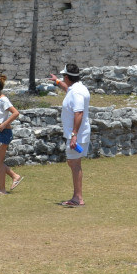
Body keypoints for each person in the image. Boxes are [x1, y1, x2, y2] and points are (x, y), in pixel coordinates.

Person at [49, 63, 90, 207]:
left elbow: (79, 113)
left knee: (74, 163)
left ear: (67, 76)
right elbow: (68, 90)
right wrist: (57, 82)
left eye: (62, 77)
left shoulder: (77, 92)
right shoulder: (76, 88)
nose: (62, 78)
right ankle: (77, 197)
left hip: (76, 134)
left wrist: (74, 135)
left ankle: (78, 198)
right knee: (73, 163)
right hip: (76, 133)